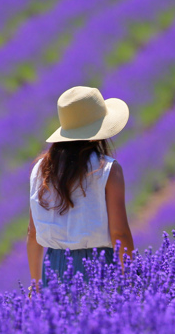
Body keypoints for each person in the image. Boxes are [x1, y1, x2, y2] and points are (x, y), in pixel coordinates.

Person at [27, 85, 135, 292]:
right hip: (99, 268)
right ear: (97, 133)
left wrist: (35, 285)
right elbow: (119, 233)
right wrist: (131, 282)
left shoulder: (41, 169)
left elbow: (33, 234)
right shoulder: (108, 170)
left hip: (54, 269)